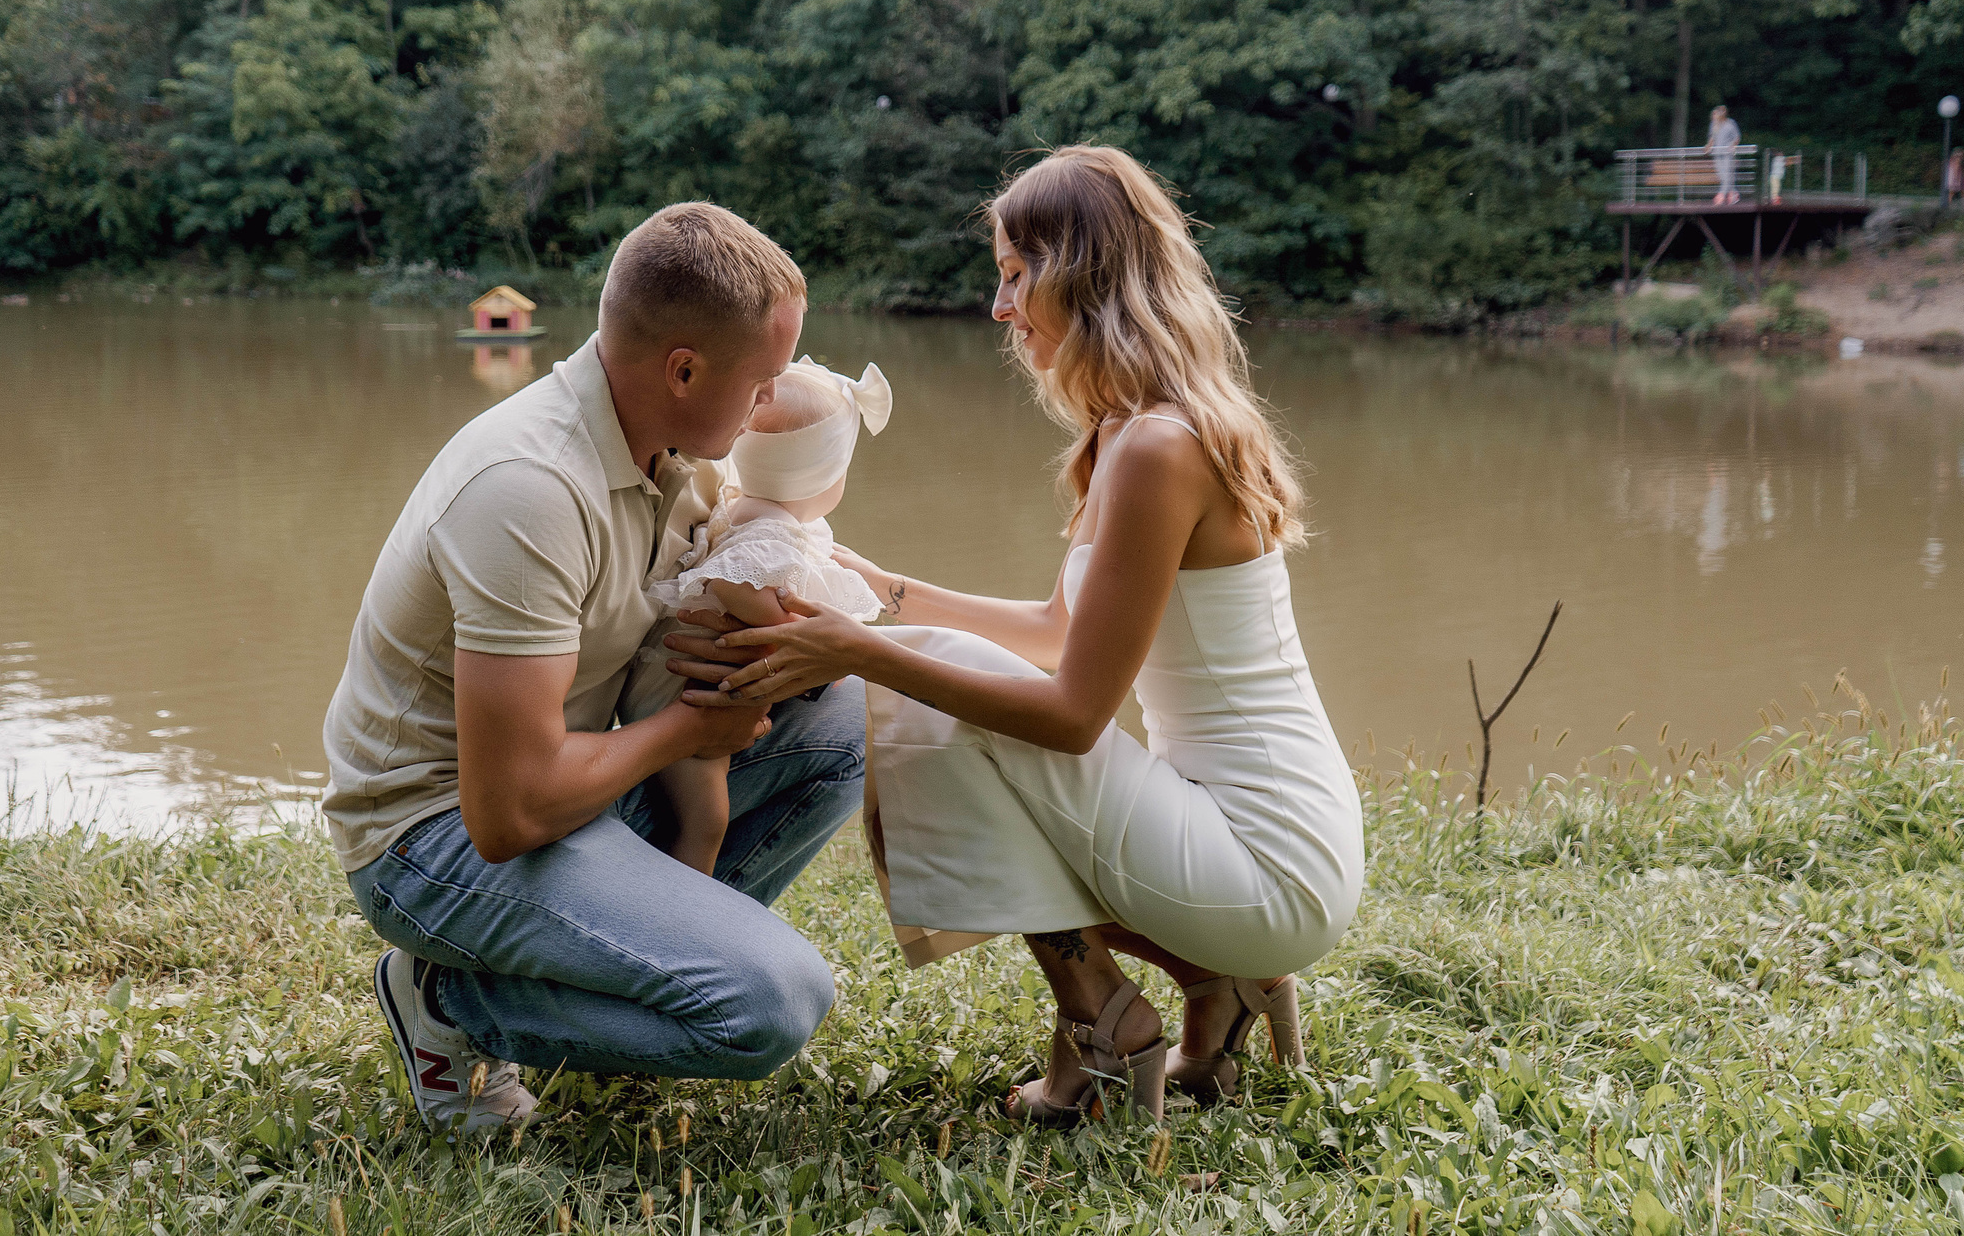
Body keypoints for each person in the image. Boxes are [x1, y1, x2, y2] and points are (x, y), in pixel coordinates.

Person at [669, 146, 1364, 1125]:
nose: (999, 309)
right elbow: (1055, 631)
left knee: (924, 692)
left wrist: (859, 650)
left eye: (1012, 275)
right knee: (939, 682)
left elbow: (1075, 714)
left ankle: (1104, 1018)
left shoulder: (1157, 449)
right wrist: (882, 589)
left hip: (1264, 864)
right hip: (1259, 835)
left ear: (1079, 273)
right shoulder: (1138, 430)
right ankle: (1208, 981)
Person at [320, 203, 866, 1131]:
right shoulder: (527, 487)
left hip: (562, 777)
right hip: (432, 832)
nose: (773, 401)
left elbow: (785, 563)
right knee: (771, 1004)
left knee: (847, 720)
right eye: (766, 380)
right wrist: (695, 726)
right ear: (683, 369)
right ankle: (449, 1007)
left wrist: (782, 651)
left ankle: (618, 995)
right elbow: (510, 811)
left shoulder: (681, 451)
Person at [627, 357, 892, 873]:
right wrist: (801, 636)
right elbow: (736, 583)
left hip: (690, 682)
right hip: (679, 695)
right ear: (825, 477)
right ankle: (683, 916)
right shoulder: (768, 538)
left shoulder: (755, 506)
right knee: (704, 820)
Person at [1707, 105, 1741, 204]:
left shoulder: (1730, 123)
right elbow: (1712, 138)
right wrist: (1708, 146)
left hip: (1727, 153)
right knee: (1721, 175)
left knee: (1727, 174)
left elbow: (1737, 137)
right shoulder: (1714, 125)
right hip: (1717, 153)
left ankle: (1721, 195)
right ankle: (1733, 192)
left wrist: (1733, 145)